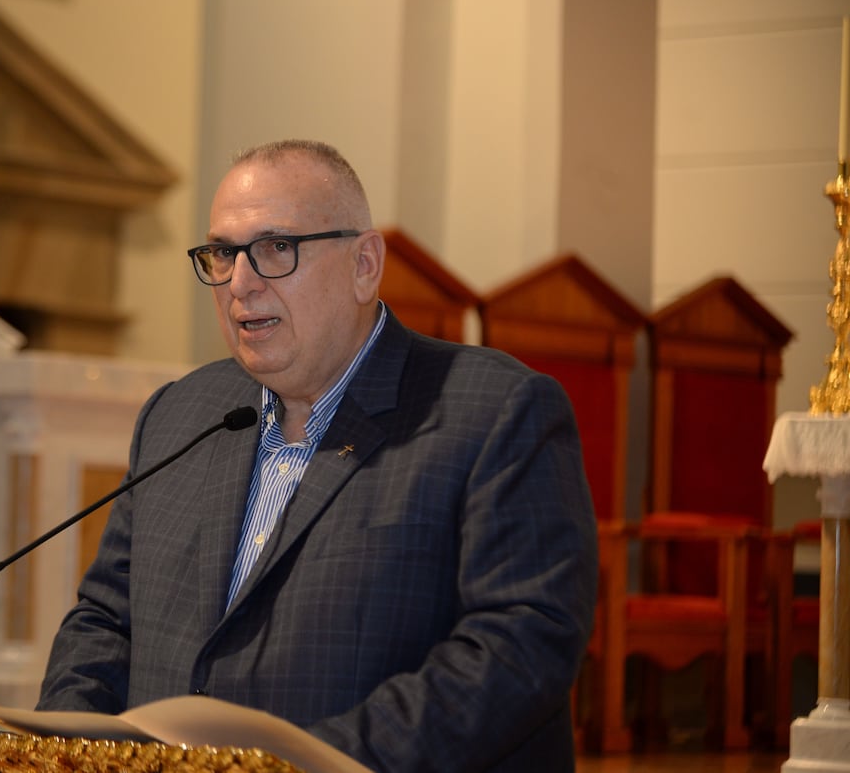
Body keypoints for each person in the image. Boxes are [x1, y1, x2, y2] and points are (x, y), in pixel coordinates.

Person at [38, 139, 598, 772]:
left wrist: (313, 764)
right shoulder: (180, 413)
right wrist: (69, 754)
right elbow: (105, 618)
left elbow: (522, 641)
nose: (240, 284)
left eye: (277, 248)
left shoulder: (493, 409)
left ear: (364, 264)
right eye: (223, 254)